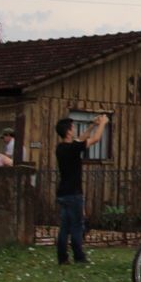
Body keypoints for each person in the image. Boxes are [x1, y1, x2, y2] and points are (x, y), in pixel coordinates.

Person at [54, 114, 108, 265]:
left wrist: (92, 125)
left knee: (64, 227)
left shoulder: (61, 148)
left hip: (63, 193)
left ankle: (62, 257)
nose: (74, 130)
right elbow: (95, 139)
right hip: (74, 193)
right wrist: (103, 123)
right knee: (77, 226)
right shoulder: (73, 148)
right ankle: (79, 257)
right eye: (72, 128)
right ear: (68, 132)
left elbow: (80, 139)